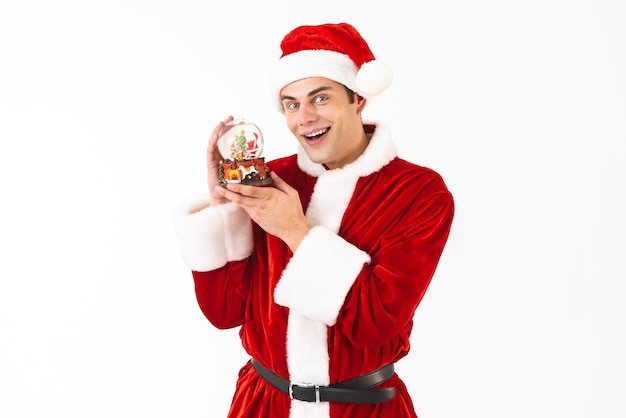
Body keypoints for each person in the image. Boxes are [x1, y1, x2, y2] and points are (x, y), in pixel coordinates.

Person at [173, 22, 454, 418]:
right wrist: (225, 210)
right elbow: (224, 313)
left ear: (357, 99)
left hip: (365, 410)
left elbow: (375, 322)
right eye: (291, 104)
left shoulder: (418, 193)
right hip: (263, 405)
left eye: (320, 98)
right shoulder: (272, 179)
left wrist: (295, 230)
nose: (303, 117)